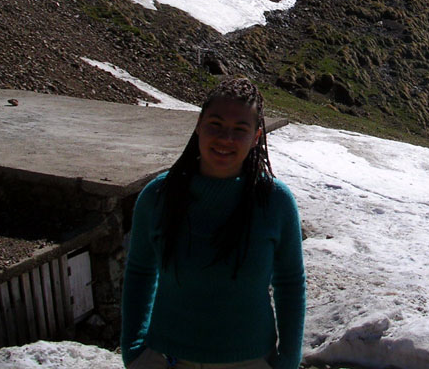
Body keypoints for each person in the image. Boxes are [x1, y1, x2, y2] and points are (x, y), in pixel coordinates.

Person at [121, 76, 306, 369]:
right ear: (199, 125)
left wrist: (288, 362)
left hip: (249, 361)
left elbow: (290, 283)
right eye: (216, 125)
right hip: (165, 357)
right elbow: (140, 272)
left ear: (256, 137)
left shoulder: (275, 202)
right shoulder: (158, 197)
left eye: (240, 129)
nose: (225, 139)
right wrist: (133, 349)